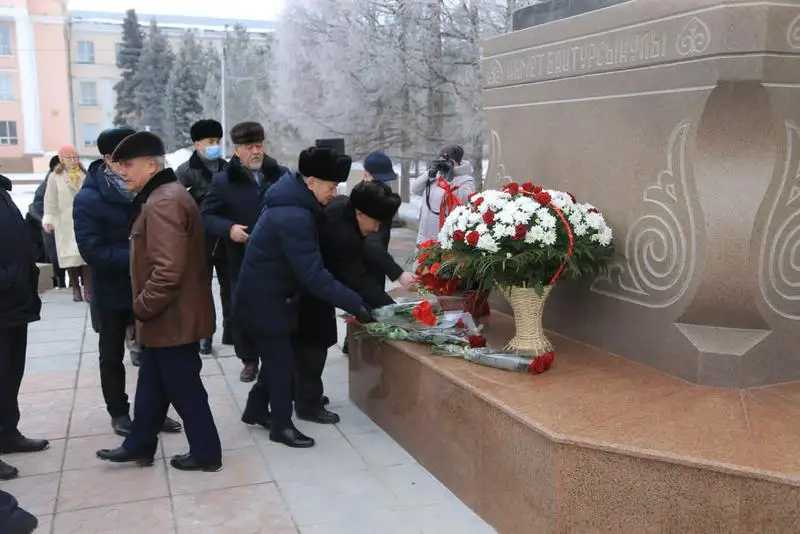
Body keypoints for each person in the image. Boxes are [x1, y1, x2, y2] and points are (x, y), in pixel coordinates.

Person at [96, 132, 222, 472]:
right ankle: (139, 444)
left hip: (171, 317)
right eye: (119, 165)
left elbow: (168, 272)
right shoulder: (163, 195)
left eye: (127, 165)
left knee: (185, 388)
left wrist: (141, 308)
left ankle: (207, 454)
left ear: (151, 165)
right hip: (167, 317)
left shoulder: (164, 201)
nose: (121, 172)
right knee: (152, 384)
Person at [236, 146, 372, 448]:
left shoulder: (293, 202)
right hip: (265, 300)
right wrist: (356, 304)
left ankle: (256, 409)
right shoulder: (294, 215)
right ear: (311, 182)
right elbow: (313, 275)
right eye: (330, 187)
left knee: (276, 361)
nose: (334, 193)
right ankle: (281, 426)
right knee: (282, 364)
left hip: (269, 296)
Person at [73, 126, 183, 438]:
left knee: (153, 351)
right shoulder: (89, 198)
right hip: (112, 289)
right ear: (109, 158)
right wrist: (139, 258)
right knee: (111, 355)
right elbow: (92, 250)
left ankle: (154, 409)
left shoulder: (145, 187)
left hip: (147, 288)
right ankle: (119, 412)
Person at [291, 181, 400, 423]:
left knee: (311, 344)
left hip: (314, 287)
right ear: (360, 214)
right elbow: (356, 279)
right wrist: (391, 308)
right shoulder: (342, 234)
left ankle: (301, 394)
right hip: (307, 291)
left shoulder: (344, 209)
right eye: (376, 222)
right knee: (313, 346)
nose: (377, 228)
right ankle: (308, 405)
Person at [202, 122, 289, 382]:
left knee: (276, 311)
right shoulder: (223, 181)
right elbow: (205, 215)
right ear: (237, 151)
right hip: (241, 258)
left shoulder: (281, 175)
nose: (256, 151)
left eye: (259, 145)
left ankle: (275, 357)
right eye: (249, 147)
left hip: (276, 259)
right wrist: (228, 228)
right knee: (243, 311)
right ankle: (249, 360)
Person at [0, 174, 49, 481]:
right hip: (5, 297)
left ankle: (7, 433)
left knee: (10, 374)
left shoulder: (2, 191)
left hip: (14, 304)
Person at [176, 119, 231, 355]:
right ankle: (204, 334)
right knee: (201, 288)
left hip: (226, 234)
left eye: (218, 141)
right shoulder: (185, 171)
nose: (215, 146)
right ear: (197, 144)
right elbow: (177, 205)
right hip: (199, 237)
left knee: (229, 285)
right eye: (210, 141)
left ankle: (232, 330)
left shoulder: (228, 168)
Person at [42, 146, 91, 302]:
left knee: (86, 255)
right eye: (69, 158)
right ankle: (75, 287)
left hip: (84, 219)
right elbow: (50, 199)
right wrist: (48, 218)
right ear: (61, 159)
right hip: (65, 221)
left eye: (75, 157)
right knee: (71, 256)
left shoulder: (85, 174)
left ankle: (88, 289)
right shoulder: (55, 177)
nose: (73, 161)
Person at [410, 144, 476, 244]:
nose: (444, 163)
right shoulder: (435, 175)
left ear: (457, 162)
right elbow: (415, 189)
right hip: (423, 237)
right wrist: (428, 173)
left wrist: (450, 181)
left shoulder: (466, 180)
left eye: (448, 161)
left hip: (444, 238)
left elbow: (465, 200)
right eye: (441, 160)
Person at [29, 156, 66, 288]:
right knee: (56, 257)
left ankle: (76, 284)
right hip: (52, 229)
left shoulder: (75, 178)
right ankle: (60, 283)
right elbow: (36, 206)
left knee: (76, 258)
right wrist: (48, 220)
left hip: (70, 225)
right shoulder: (47, 184)